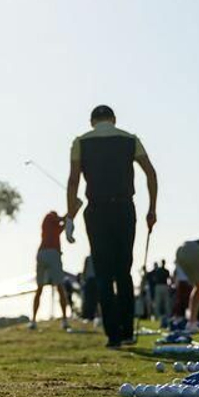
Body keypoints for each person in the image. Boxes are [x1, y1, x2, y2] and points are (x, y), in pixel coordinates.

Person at [65, 105, 159, 348]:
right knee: (124, 271)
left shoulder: (80, 142)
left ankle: (113, 337)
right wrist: (152, 209)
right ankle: (127, 331)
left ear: (92, 121)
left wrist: (70, 217)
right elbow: (151, 173)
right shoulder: (130, 139)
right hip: (124, 209)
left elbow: (73, 180)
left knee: (104, 275)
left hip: (96, 211)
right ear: (113, 119)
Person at [31, 210, 71, 330]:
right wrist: (72, 211)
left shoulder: (53, 226)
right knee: (59, 286)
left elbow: (62, 226)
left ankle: (34, 321)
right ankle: (63, 320)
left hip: (43, 253)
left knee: (41, 288)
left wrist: (69, 219)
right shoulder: (49, 216)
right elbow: (63, 219)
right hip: (52, 253)